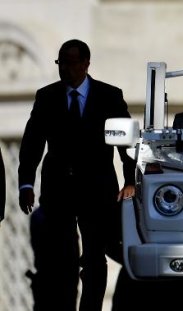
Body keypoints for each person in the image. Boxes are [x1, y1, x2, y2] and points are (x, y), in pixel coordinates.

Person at [17, 39, 136, 311]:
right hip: (58, 191)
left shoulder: (109, 96)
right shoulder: (47, 97)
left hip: (97, 191)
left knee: (95, 257)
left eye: (71, 63)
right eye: (61, 63)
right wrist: (25, 183)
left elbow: (127, 144)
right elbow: (32, 143)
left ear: (85, 64)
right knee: (62, 258)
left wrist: (130, 181)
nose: (66, 69)